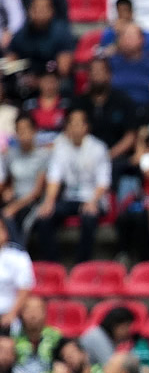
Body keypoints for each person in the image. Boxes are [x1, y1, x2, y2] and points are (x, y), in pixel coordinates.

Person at [34, 108, 110, 263]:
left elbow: (103, 181)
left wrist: (93, 202)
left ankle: (81, 264)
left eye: (79, 123)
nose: (75, 127)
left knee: (89, 218)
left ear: (86, 126)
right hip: (70, 198)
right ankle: (54, 264)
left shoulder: (98, 147)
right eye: (72, 123)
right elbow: (54, 177)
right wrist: (48, 202)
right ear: (67, 126)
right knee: (44, 218)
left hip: (93, 198)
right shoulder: (60, 147)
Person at [1, 115, 49, 245]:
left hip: (33, 202)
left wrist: (14, 207)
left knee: (8, 214)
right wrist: (7, 189)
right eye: (19, 131)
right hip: (15, 198)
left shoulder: (43, 155)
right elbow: (7, 179)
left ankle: (19, 252)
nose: (23, 134)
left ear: (34, 131)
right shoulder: (10, 154)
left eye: (26, 130)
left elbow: (38, 192)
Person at [0, 219, 32, 330]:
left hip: (9, 313)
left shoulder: (18, 256)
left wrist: (12, 314)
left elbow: (24, 288)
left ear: (5, 232)